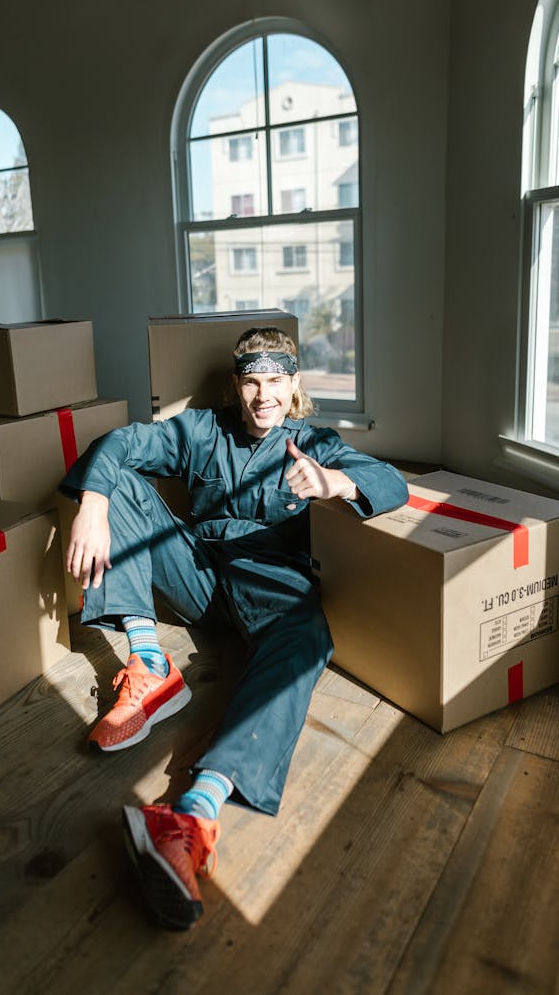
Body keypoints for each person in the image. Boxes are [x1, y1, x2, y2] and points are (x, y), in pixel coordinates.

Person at [60, 326, 408, 930]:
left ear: (294, 386)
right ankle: (151, 665)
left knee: (307, 642)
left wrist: (335, 483)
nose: (263, 395)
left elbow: (392, 483)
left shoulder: (315, 442)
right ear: (236, 386)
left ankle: (193, 814)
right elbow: (119, 444)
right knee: (116, 477)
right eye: (252, 381)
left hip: (270, 584)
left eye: (276, 381)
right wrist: (93, 503)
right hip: (197, 574)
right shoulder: (202, 429)